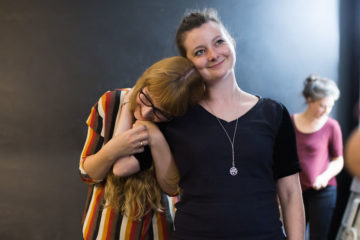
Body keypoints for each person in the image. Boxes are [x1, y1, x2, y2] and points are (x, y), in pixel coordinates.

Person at [156, 8, 305, 239]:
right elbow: (159, 181)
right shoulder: (176, 117)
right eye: (200, 51)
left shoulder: (274, 114)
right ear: (188, 64)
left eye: (219, 42)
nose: (214, 55)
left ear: (231, 42)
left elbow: (290, 194)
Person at [79, 56, 205, 240]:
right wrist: (115, 147)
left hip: (156, 230)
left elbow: (172, 188)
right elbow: (86, 173)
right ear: (143, 82)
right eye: (145, 98)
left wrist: (155, 136)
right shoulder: (110, 103)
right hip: (103, 230)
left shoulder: (179, 122)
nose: (146, 113)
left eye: (161, 112)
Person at [291, 74, 344, 239]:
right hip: (295, 192)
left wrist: (324, 177)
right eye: (322, 105)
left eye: (330, 106)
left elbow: (338, 159)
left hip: (323, 191)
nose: (327, 111)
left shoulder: (332, 126)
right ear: (309, 100)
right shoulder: (290, 122)